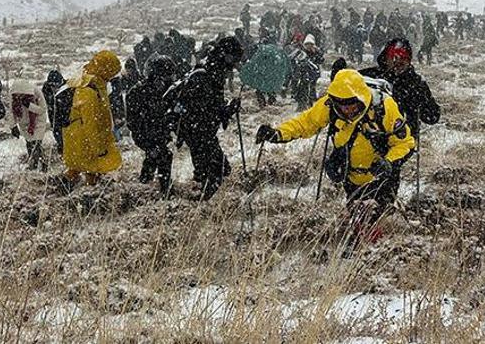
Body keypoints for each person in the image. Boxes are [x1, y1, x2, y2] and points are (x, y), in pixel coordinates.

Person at [255, 69, 415, 252]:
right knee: (357, 210)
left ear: (361, 99)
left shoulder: (385, 107)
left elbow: (406, 143)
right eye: (342, 106)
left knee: (369, 213)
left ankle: (373, 253)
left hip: (382, 175)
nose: (346, 111)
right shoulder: (330, 105)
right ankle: (364, 248)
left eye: (351, 106)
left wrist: (389, 162)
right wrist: (277, 134)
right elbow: (305, 123)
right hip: (350, 173)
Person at [164, 36, 243, 200]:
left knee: (221, 170)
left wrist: (229, 109)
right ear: (225, 56)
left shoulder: (214, 73)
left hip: (203, 133)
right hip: (198, 134)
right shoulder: (205, 76)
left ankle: (201, 197)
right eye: (233, 59)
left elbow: (213, 109)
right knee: (213, 176)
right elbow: (203, 111)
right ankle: (197, 208)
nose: (234, 66)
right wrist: (223, 112)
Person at [61, 50, 123, 188]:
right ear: (105, 69)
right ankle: (89, 196)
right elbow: (91, 121)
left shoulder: (90, 81)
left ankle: (65, 186)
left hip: (78, 136)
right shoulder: (88, 89)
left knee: (79, 166)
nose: (112, 76)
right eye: (111, 72)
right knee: (92, 167)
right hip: (84, 138)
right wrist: (98, 147)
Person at [360, 39, 440, 138]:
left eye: (403, 60)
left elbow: (432, 117)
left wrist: (423, 99)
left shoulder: (416, 83)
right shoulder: (371, 76)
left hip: (404, 142)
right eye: (394, 59)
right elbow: (344, 86)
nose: (398, 63)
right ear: (386, 58)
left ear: (409, 61)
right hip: (372, 139)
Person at [126, 56, 177, 195]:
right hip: (146, 134)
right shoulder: (138, 92)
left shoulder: (164, 91)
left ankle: (143, 185)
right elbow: (132, 122)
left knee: (154, 157)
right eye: (167, 76)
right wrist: (148, 141)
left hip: (158, 133)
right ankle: (166, 191)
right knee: (164, 156)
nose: (170, 80)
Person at [9, 80, 49, 172]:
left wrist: (29, 105)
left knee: (36, 143)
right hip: (23, 121)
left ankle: (39, 164)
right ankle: (37, 162)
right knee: (29, 143)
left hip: (37, 121)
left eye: (21, 95)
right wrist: (13, 126)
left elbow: (42, 110)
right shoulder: (13, 95)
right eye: (17, 95)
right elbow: (11, 111)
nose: (19, 97)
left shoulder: (37, 92)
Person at [42, 70, 66, 154]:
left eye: (56, 85)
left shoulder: (66, 88)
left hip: (64, 114)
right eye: (51, 85)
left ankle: (65, 148)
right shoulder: (46, 88)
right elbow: (45, 100)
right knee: (56, 132)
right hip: (53, 114)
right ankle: (61, 147)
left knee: (65, 133)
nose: (53, 88)